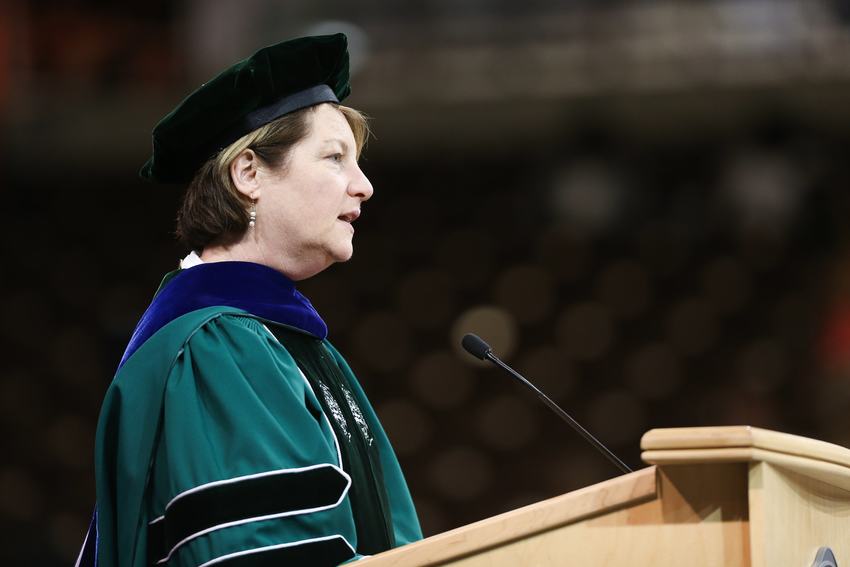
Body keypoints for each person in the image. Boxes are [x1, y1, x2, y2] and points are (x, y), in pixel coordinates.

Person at [76, 33, 422, 567]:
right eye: (335, 158)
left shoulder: (277, 339)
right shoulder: (219, 347)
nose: (363, 186)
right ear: (249, 173)